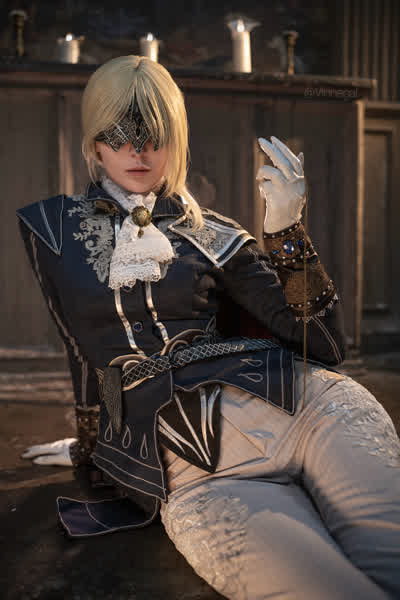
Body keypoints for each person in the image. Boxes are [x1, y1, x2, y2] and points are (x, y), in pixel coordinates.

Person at [17, 55, 400, 600]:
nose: (138, 151)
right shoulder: (51, 227)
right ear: (94, 143)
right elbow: (80, 350)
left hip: (316, 412)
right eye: (120, 134)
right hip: (196, 471)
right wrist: (92, 443)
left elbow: (324, 343)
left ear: (176, 141)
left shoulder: (216, 233)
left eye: (155, 134)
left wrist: (287, 232)